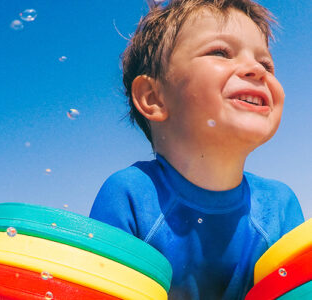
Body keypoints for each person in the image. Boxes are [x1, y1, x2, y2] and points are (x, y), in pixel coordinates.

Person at [89, 0, 305, 299]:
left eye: (266, 64)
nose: (256, 69)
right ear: (153, 98)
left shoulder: (280, 206)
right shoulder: (131, 195)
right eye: (220, 52)